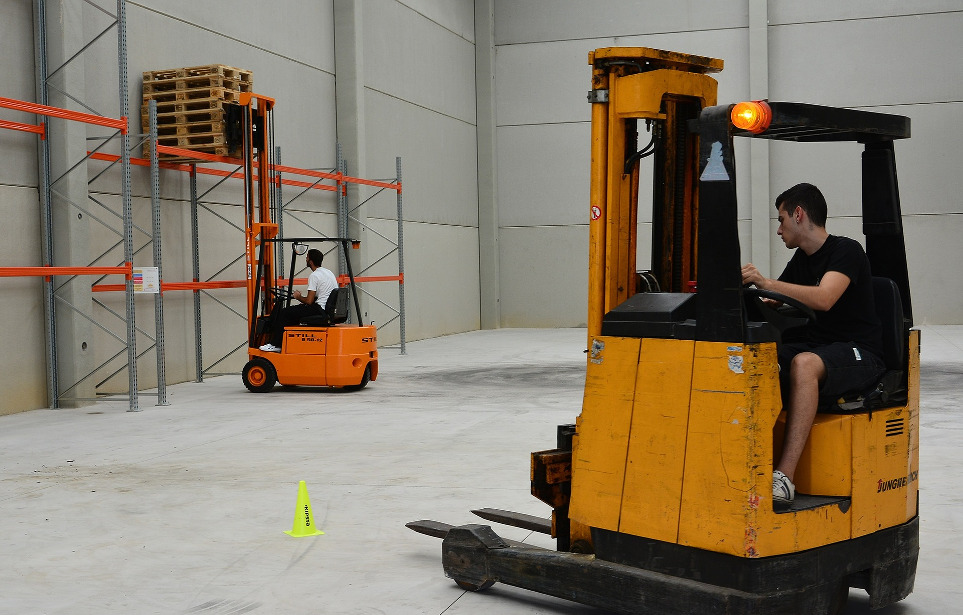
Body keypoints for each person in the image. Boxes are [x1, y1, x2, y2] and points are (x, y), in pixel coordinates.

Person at [741, 183, 885, 509]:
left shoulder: (846, 251)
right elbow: (774, 299)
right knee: (756, 356)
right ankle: (746, 459)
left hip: (860, 352)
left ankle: (784, 477)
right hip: (820, 346)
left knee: (804, 364)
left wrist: (767, 282)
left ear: (799, 214)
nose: (779, 230)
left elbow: (824, 297)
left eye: (781, 220)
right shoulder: (802, 260)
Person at [259, 248, 338, 352]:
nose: (306, 259)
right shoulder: (328, 272)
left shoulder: (314, 275)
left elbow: (309, 301)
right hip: (325, 309)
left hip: (319, 309)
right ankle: (287, 342)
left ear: (311, 261)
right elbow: (319, 295)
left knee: (284, 313)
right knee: (295, 312)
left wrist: (298, 297)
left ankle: (276, 344)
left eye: (307, 257)